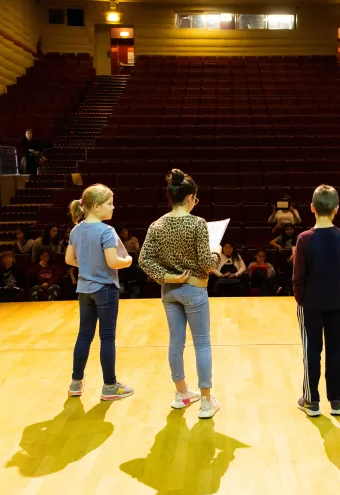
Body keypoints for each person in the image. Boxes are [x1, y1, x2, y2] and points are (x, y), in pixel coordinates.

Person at [139, 169, 222, 419]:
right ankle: (206, 401)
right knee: (202, 343)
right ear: (190, 198)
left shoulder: (157, 224)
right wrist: (217, 253)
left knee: (176, 342)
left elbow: (144, 260)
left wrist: (167, 277)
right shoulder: (197, 223)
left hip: (169, 291)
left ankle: (182, 393)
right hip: (195, 289)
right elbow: (206, 262)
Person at [293, 185, 340, 417]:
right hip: (337, 303)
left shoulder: (304, 239)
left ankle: (311, 401)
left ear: (312, 208)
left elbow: (297, 276)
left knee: (311, 351)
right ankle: (337, 401)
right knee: (335, 351)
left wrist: (300, 299)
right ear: (336, 209)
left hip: (310, 304)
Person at [65, 183, 134, 401]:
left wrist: (86, 266)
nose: (113, 207)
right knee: (107, 338)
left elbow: (68, 259)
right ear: (96, 206)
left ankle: (76, 383)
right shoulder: (106, 231)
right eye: (110, 203)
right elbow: (113, 261)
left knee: (84, 335)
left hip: (84, 289)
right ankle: (110, 386)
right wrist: (128, 260)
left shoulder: (76, 230)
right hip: (105, 289)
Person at [118, 227, 146, 298]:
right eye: (122, 232)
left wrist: (135, 248)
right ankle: (122, 287)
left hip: (133, 260)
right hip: (122, 262)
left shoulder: (133, 239)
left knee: (135, 269)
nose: (124, 233)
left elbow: (138, 250)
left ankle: (134, 289)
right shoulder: (119, 240)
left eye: (125, 231)